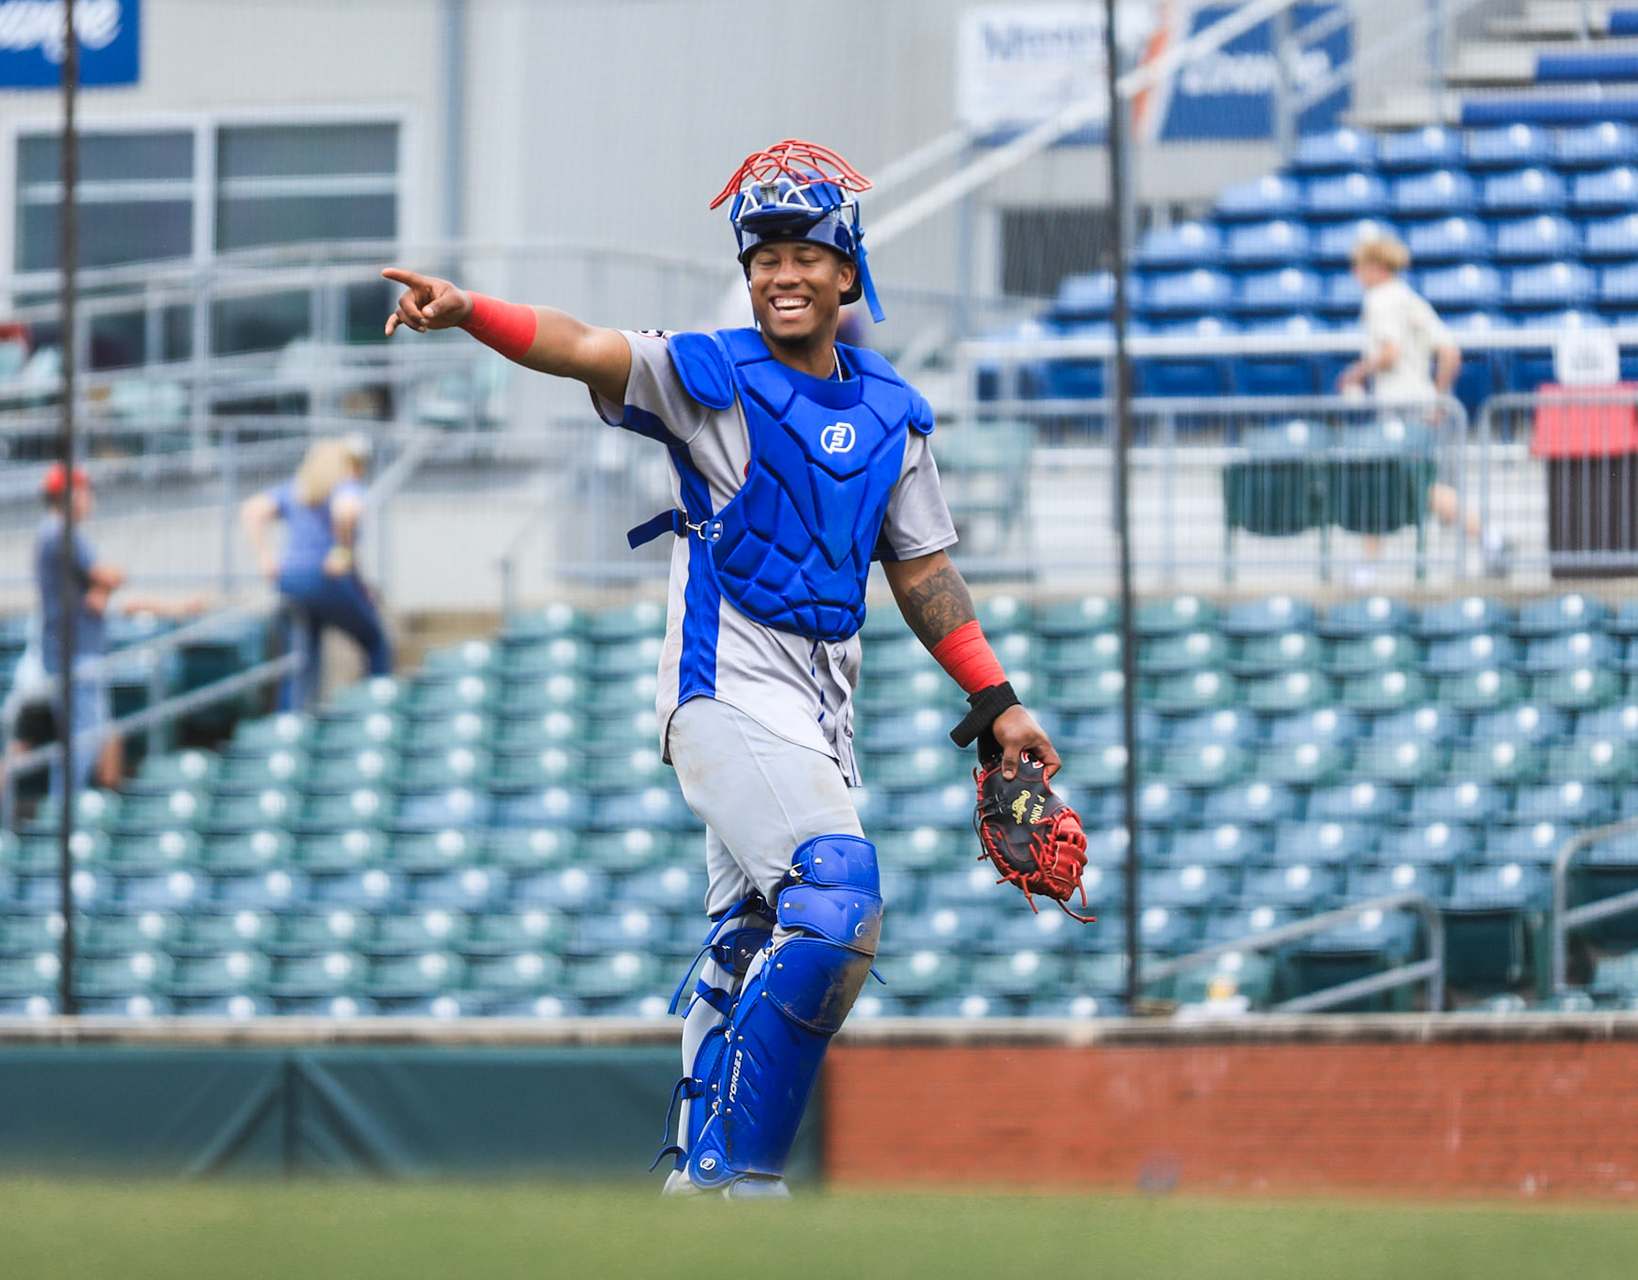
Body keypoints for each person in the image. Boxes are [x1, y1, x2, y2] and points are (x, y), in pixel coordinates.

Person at [383, 140, 1063, 1198]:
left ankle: (697, 1191)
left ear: (847, 271)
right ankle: (736, 1178)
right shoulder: (709, 375)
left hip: (820, 714)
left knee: (753, 937)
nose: (782, 274)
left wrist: (998, 698)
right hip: (723, 689)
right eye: (763, 257)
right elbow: (582, 346)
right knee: (836, 899)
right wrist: (472, 312)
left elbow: (925, 571)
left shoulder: (894, 411)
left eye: (804, 253)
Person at [1335, 233, 1507, 579]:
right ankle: (1487, 538)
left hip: (1398, 409)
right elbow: (1450, 353)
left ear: (1376, 266)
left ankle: (1489, 537)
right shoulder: (1411, 300)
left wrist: (1354, 374)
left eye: (1359, 266)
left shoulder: (1380, 300)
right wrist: (1436, 396)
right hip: (1422, 405)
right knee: (1397, 482)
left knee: (1400, 483)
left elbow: (1390, 352)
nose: (1355, 273)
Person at [240, 435, 392, 711]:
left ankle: (290, 724)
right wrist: (342, 551)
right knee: (376, 642)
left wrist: (265, 557)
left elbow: (252, 510)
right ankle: (376, 710)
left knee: (300, 660)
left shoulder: (296, 489)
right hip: (325, 580)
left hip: (290, 581)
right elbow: (346, 511)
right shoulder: (346, 486)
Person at [33, 463, 125, 796]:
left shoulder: (60, 531)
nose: (89, 497)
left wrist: (103, 586)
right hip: (72, 653)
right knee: (85, 737)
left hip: (72, 650)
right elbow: (108, 576)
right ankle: (61, 808)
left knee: (89, 735)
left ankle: (65, 806)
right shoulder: (59, 531)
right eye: (83, 491)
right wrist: (107, 582)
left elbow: (99, 591)